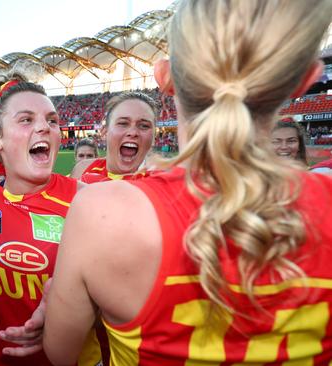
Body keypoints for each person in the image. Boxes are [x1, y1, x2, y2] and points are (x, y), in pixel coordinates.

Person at [42, 0, 332, 364]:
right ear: (304, 80)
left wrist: (63, 300)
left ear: (165, 76)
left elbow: (60, 353)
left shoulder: (100, 213)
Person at [0, 66, 102, 366]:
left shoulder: (85, 199)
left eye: (52, 120)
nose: (44, 128)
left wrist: (66, 311)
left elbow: (116, 287)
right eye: (26, 120)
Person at [70, 92, 158, 183]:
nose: (133, 132)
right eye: (123, 123)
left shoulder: (161, 184)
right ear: (104, 132)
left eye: (144, 126)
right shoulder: (82, 170)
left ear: (153, 138)